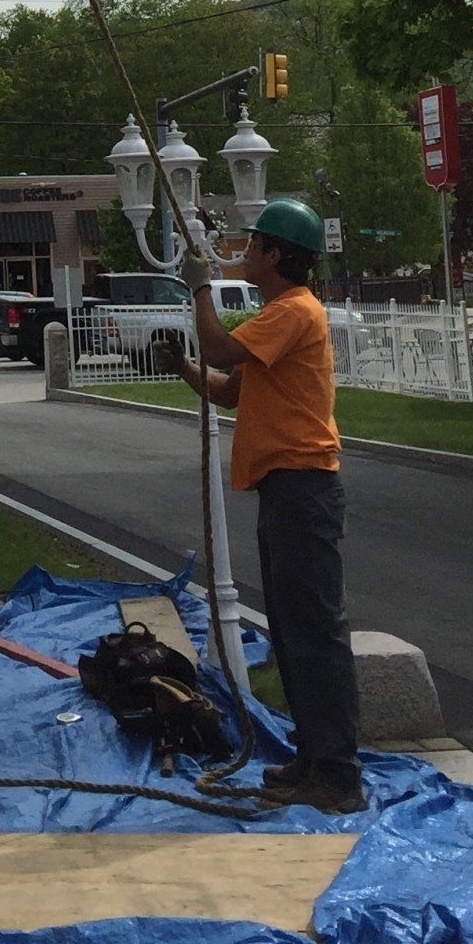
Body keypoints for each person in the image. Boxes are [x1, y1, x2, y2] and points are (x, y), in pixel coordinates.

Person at [179, 195, 364, 815]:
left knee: (315, 632)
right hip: (285, 488)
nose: (246, 252)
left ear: (277, 256)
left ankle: (337, 775)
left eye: (255, 245)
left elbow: (222, 350)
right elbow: (230, 390)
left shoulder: (293, 311)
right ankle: (314, 760)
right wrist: (178, 366)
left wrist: (201, 288)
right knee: (292, 631)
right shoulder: (279, 315)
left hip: (303, 488)